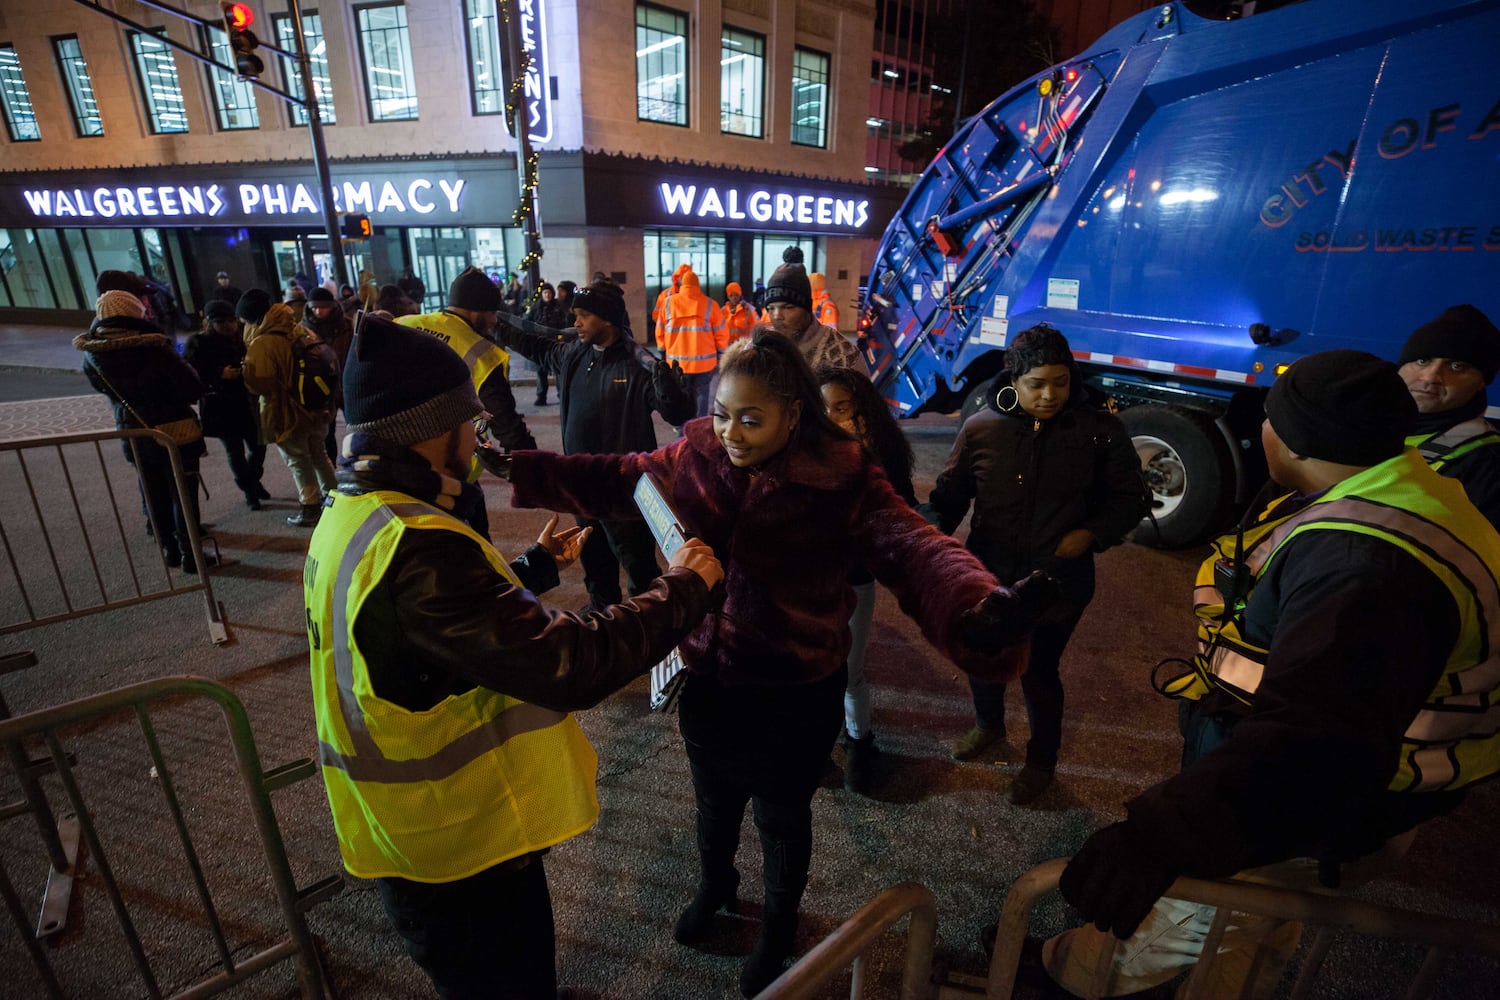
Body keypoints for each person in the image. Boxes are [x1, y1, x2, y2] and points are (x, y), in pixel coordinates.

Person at [497, 331, 1054, 997]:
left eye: (751, 419)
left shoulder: (844, 474)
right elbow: (622, 475)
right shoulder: (697, 451)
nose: (731, 432)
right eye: (725, 414)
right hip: (709, 677)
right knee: (714, 804)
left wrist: (976, 607)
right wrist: (523, 469)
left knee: (784, 818)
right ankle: (717, 889)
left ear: (794, 414)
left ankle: (779, 928)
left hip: (797, 689)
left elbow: (915, 544)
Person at [1037, 350, 1500, 998]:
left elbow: (1313, 742)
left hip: (1316, 806)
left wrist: (1159, 834)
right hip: (1333, 794)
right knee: (1247, 924)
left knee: (1192, 921)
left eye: (1271, 418)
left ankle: (1067, 979)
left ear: (1294, 436)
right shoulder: (1395, 492)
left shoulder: (1364, 563)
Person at [306, 314, 724, 1000]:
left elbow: (427, 633)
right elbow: (571, 662)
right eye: (469, 419)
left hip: (412, 836)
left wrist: (527, 570)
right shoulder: (417, 548)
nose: (480, 434)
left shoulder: (359, 509)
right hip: (460, 851)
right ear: (437, 428)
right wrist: (684, 587)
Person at [925, 326, 1148, 805]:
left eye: (1061, 382)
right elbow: (948, 498)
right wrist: (924, 542)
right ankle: (987, 727)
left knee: (1039, 670)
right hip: (989, 572)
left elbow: (1130, 499)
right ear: (1014, 380)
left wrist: (1089, 535)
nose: (1050, 395)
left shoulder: (1098, 430)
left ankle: (1041, 762)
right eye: (1037, 384)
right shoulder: (982, 428)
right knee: (984, 654)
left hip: (1058, 582)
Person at [495, 280, 695, 611]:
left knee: (638, 563)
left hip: (622, 488)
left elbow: (677, 415)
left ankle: (647, 621)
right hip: (579, 480)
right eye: (575, 314)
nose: (576, 322)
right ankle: (601, 608)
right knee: (593, 552)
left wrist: (673, 393)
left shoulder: (639, 363)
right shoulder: (574, 354)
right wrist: (495, 325)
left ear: (608, 319)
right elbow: (536, 347)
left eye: (584, 315)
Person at [815, 364, 916, 794]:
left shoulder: (881, 458)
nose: (833, 417)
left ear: (864, 413)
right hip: (804, 584)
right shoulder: (794, 452)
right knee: (812, 672)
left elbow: (903, 515)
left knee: (849, 671)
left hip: (853, 582)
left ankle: (860, 745)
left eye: (844, 408)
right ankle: (815, 748)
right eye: (824, 409)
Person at [76, 290, 209, 572]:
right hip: (174, 429)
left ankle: (169, 549)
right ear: (136, 313)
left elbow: (103, 389)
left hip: (132, 430)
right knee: (183, 493)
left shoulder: (93, 355)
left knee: (154, 492)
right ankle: (191, 554)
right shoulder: (154, 348)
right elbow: (191, 387)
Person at [398, 267, 536, 535]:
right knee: (471, 543)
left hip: (395, 458)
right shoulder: (482, 353)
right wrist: (534, 470)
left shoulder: (406, 324)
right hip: (450, 466)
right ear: (476, 310)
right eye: (492, 312)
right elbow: (505, 423)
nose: (495, 320)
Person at [1396, 303, 1500, 528]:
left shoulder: (1485, 463)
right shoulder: (1357, 423)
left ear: (1481, 382)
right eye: (1422, 360)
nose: (1431, 376)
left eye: (1456, 366)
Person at [240, 294, 339, 527]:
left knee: (298, 459)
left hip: (288, 410)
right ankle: (334, 498)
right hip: (316, 406)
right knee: (319, 453)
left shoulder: (265, 342)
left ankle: (310, 506)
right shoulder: (300, 329)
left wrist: (245, 371)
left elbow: (260, 383)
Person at [185, 301, 267, 509]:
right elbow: (191, 374)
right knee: (234, 450)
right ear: (210, 323)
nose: (228, 326)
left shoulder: (242, 337)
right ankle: (249, 491)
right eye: (221, 322)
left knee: (259, 445)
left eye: (231, 321)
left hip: (246, 401)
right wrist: (219, 374)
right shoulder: (199, 343)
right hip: (219, 404)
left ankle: (252, 480)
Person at [758, 247, 867, 375]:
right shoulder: (760, 350)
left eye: (788, 307)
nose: (776, 316)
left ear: (807, 308)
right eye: (770, 308)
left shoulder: (844, 357)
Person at [661, 267, 729, 417]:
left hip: (677, 364)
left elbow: (660, 330)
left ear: (682, 284)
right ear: (698, 285)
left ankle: (682, 432)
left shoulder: (668, 303)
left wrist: (661, 351)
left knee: (681, 398)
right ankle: (698, 430)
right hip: (704, 364)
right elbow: (722, 333)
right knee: (702, 396)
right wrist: (722, 353)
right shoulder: (710, 305)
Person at [524, 281, 571, 405]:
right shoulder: (536, 307)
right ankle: (541, 396)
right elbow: (528, 322)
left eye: (549, 292)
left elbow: (564, 322)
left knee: (558, 371)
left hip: (556, 343)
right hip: (540, 344)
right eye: (545, 292)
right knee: (541, 372)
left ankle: (561, 395)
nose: (547, 295)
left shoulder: (558, 306)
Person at [652, 263, 689, 351]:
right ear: (677, 278)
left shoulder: (695, 297)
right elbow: (657, 317)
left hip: (688, 341)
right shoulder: (665, 295)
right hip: (670, 340)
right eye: (683, 278)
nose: (685, 281)